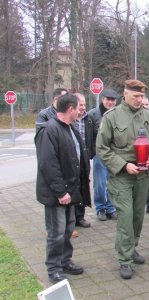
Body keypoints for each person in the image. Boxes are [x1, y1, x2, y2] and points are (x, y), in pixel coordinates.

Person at [96, 79, 149, 280]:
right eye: (136, 96)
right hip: (122, 177)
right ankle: (124, 260)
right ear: (125, 94)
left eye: (142, 96)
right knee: (125, 217)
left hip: (143, 176)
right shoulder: (112, 117)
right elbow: (102, 149)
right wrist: (124, 165)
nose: (139, 100)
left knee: (137, 217)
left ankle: (131, 247)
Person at [35, 93, 90, 283]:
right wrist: (60, 192)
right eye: (79, 107)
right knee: (56, 233)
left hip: (70, 191)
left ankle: (65, 261)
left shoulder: (70, 127)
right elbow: (48, 165)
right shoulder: (49, 130)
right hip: (57, 194)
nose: (81, 110)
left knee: (67, 230)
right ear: (70, 109)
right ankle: (54, 269)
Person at [88, 89, 119, 221]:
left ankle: (111, 208)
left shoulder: (119, 114)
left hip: (114, 155)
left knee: (113, 183)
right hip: (99, 155)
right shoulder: (93, 115)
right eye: (108, 99)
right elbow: (89, 136)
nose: (110, 102)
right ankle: (100, 208)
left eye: (113, 100)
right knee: (100, 184)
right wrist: (92, 153)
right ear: (102, 99)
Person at [72, 93, 95, 231]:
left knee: (83, 185)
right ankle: (71, 217)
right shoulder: (70, 119)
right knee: (73, 185)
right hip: (73, 157)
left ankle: (80, 216)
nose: (83, 107)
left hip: (85, 157)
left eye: (84, 104)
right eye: (80, 105)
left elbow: (92, 137)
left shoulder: (88, 118)